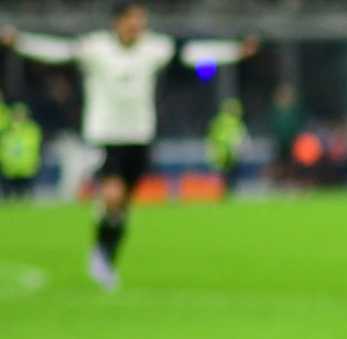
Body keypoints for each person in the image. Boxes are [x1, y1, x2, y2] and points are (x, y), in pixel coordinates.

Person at [0, 3, 256, 289]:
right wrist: (20, 41)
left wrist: (235, 50)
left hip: (139, 137)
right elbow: (59, 51)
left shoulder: (155, 49)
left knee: (121, 207)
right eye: (133, 20)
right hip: (105, 136)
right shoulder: (96, 48)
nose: (137, 26)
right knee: (113, 195)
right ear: (118, 22)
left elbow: (194, 53)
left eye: (141, 20)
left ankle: (104, 254)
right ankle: (102, 253)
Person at [2, 103, 43, 200]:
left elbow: (36, 148)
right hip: (9, 169)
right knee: (9, 198)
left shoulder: (32, 130)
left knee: (25, 197)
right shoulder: (5, 130)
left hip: (27, 169)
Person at [207, 97, 246, 196]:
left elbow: (211, 138)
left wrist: (212, 150)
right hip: (228, 154)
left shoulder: (218, 121)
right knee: (229, 176)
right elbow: (238, 138)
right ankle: (228, 193)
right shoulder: (234, 122)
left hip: (222, 154)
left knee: (224, 176)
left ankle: (224, 193)